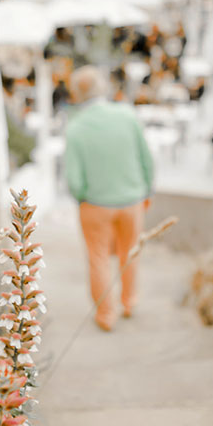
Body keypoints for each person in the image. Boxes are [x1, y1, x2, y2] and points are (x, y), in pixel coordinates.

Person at [65, 66, 154, 331]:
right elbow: (146, 159)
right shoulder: (128, 116)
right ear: (102, 87)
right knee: (130, 253)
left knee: (98, 258)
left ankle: (106, 315)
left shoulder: (76, 127)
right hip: (132, 200)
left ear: (76, 94)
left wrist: (83, 197)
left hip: (95, 204)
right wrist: (147, 190)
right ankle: (130, 302)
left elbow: (74, 180)